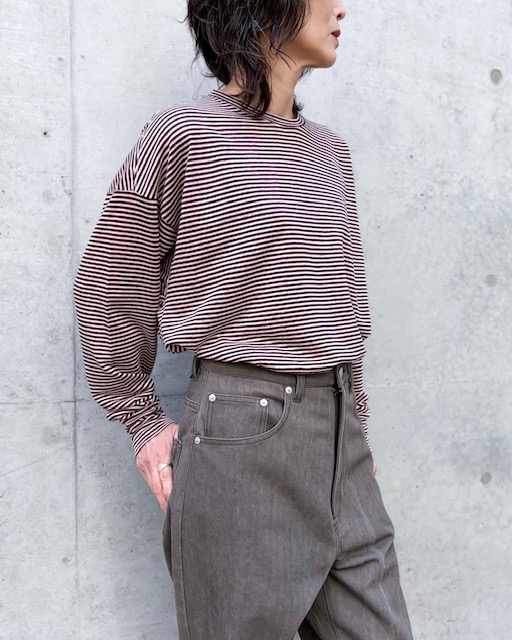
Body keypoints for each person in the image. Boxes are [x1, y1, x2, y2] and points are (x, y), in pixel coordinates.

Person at [74, 0, 415, 638]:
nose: (341, 9)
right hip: (240, 435)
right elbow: (111, 285)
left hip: (338, 438)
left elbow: (340, 307)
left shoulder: (329, 152)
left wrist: (355, 429)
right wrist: (142, 421)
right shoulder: (182, 136)